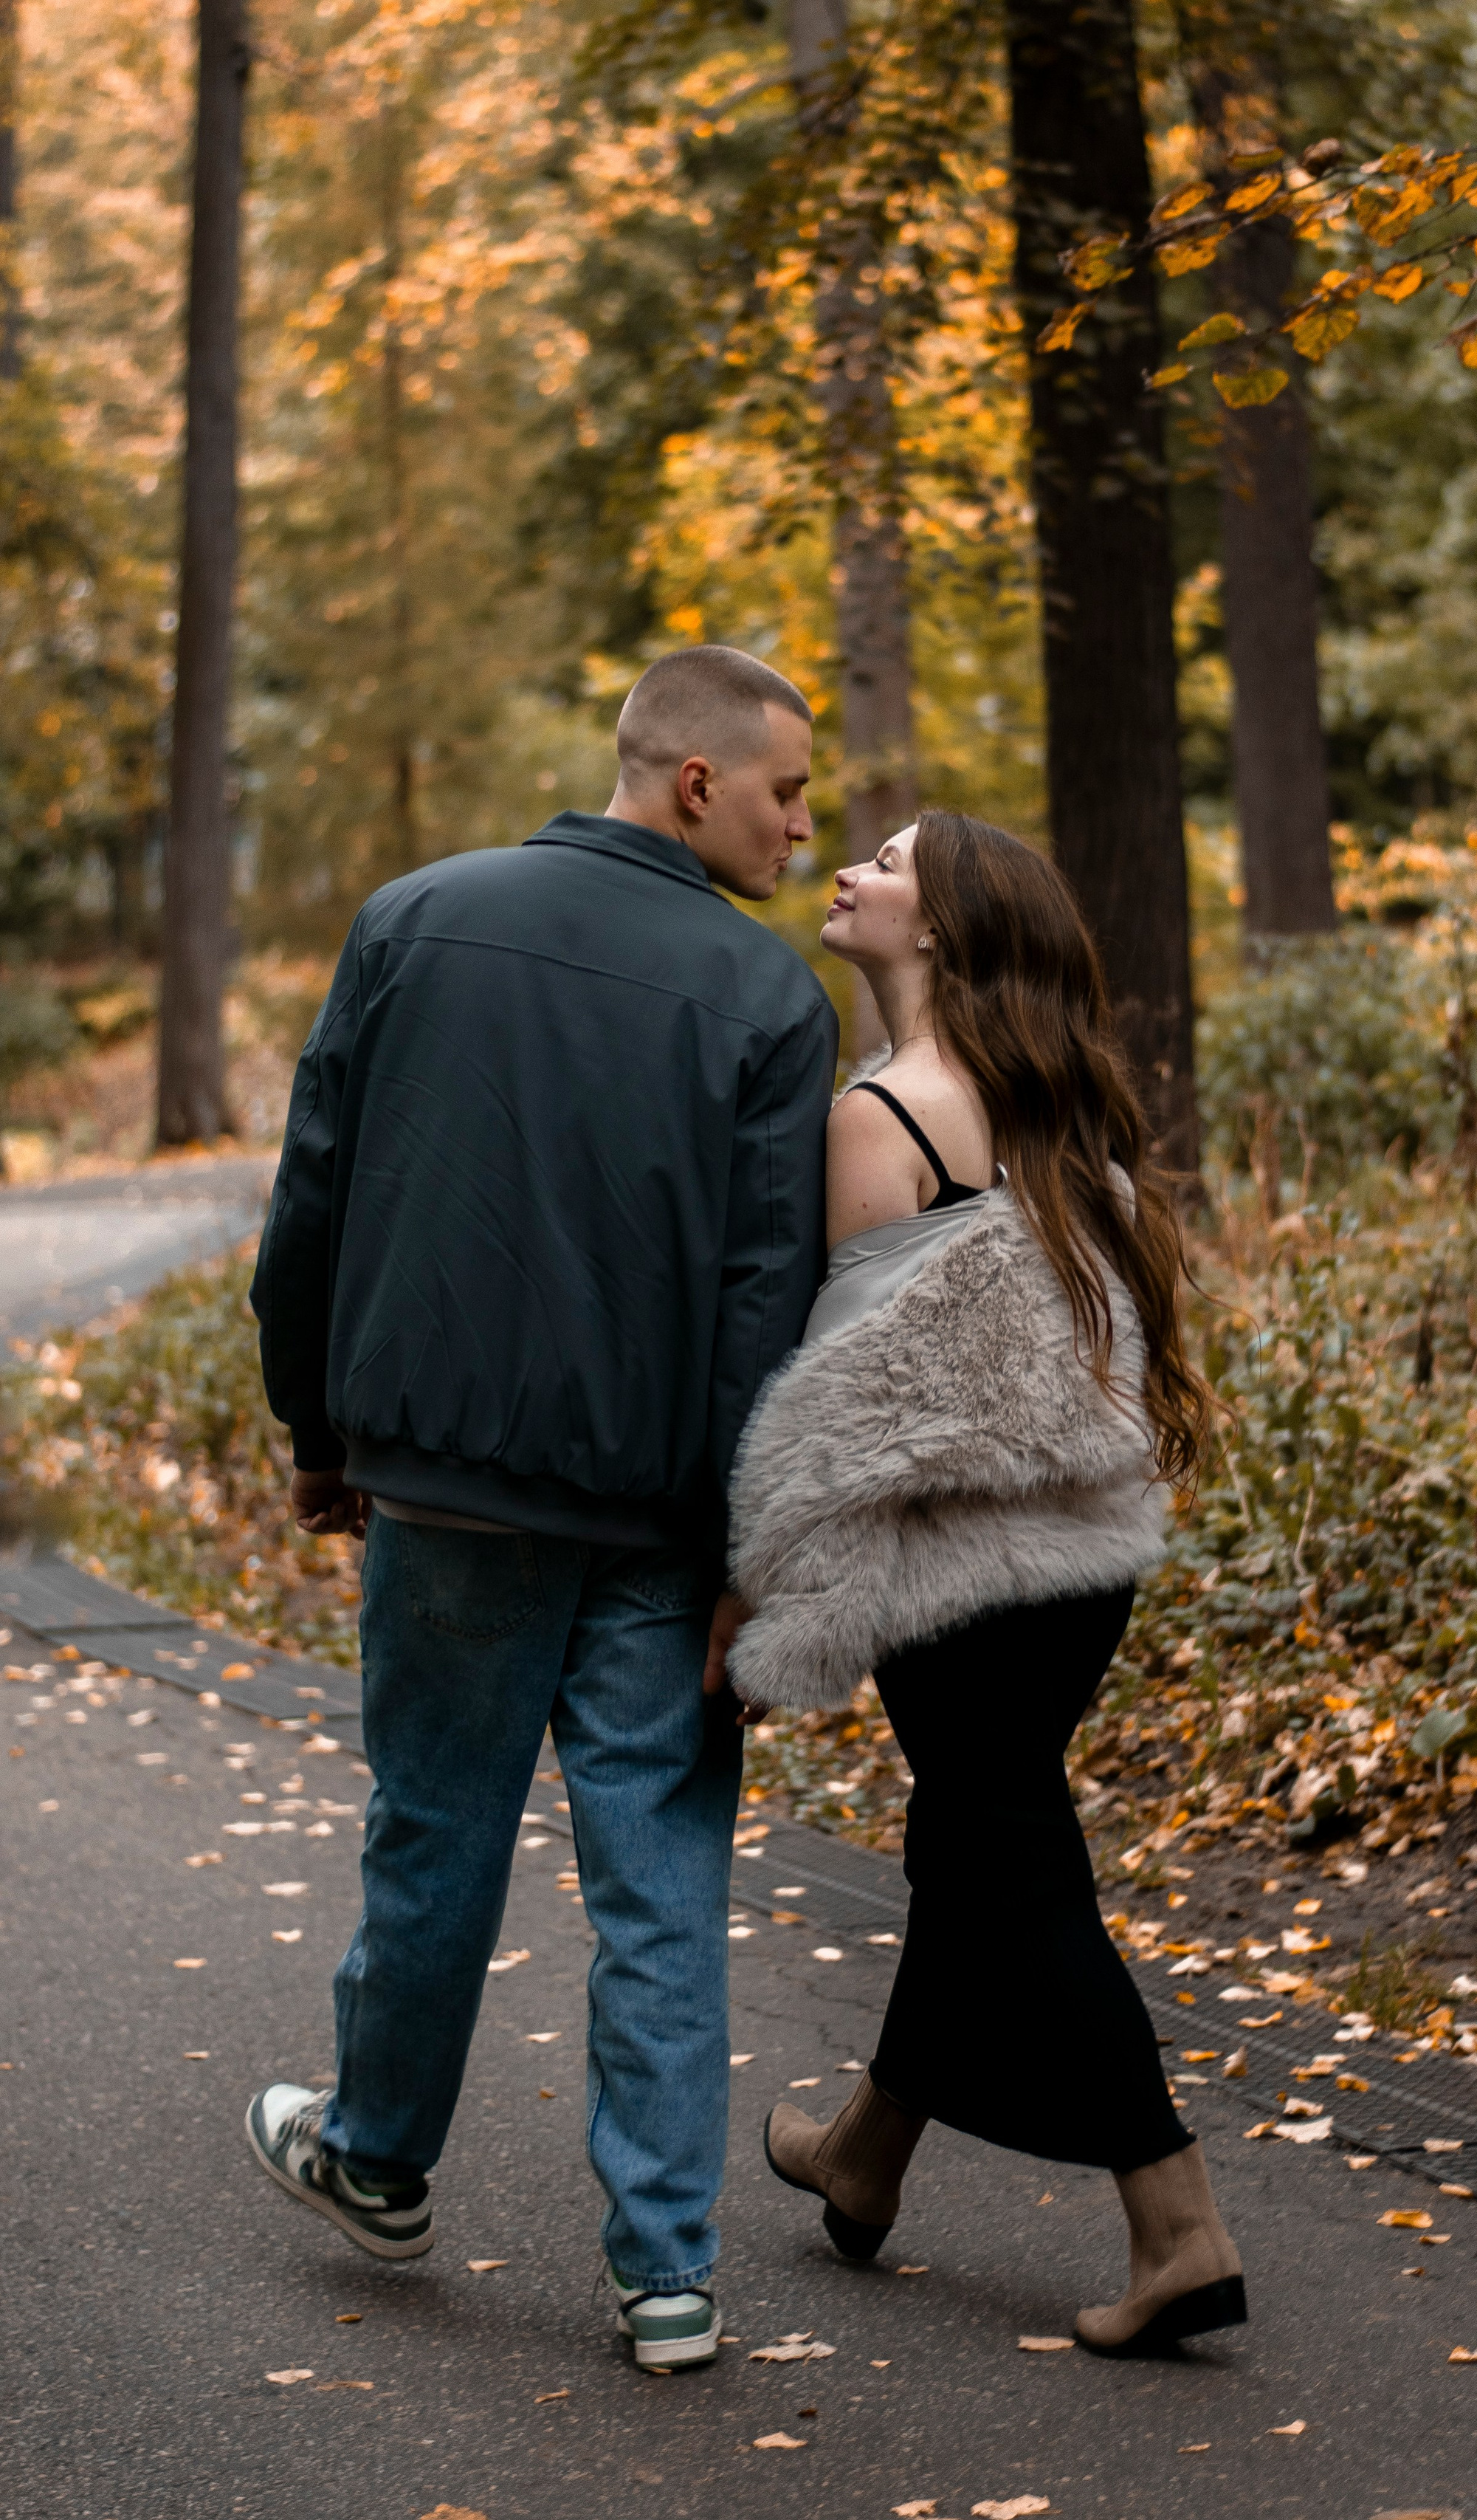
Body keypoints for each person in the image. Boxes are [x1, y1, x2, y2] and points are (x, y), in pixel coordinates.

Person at [241, 645, 838, 2374]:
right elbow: (759, 1304)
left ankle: (377, 2161)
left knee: (434, 1832)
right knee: (658, 1882)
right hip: (657, 1525)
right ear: (694, 781)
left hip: (445, 1490)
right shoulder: (765, 1000)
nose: (806, 825)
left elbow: (314, 1205)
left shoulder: (412, 921)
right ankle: (666, 2275)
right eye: (788, 791)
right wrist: (747, 1552)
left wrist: (316, 1426)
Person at [729, 809, 1246, 2357]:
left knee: (1009, 1860)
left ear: (939, 926)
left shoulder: (879, 1115)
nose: (845, 872)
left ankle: (1176, 2224)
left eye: (881, 865)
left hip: (956, 1566)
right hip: (1082, 1561)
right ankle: (863, 2157)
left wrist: (771, 1592)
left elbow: (863, 1405)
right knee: (978, 1837)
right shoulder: (1045, 1099)